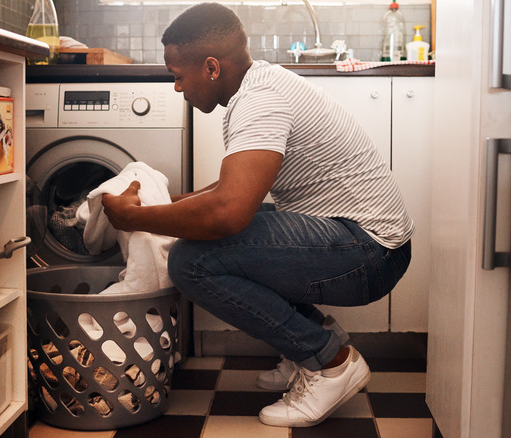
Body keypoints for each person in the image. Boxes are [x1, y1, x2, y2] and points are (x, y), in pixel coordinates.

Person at [100, 2, 414, 428]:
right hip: (363, 241)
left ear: (211, 67)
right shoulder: (259, 86)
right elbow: (229, 188)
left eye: (177, 76)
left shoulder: (260, 100)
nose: (176, 88)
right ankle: (310, 347)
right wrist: (162, 204)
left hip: (371, 252)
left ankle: (331, 362)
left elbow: (228, 213)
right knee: (226, 236)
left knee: (193, 260)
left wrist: (134, 219)